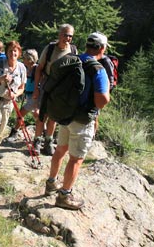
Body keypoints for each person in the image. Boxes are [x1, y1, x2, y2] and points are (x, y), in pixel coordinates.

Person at [44, 32, 110, 210]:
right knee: (76, 159)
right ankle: (65, 195)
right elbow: (102, 100)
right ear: (102, 48)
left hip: (65, 115)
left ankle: (51, 182)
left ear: (87, 45)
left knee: (60, 150)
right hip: (82, 120)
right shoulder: (98, 69)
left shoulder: (74, 60)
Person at [32, 24, 76, 156]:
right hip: (47, 85)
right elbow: (39, 68)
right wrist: (36, 89)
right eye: (65, 35)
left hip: (62, 89)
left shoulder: (73, 50)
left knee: (54, 117)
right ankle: (37, 141)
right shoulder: (50, 48)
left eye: (70, 36)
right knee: (42, 115)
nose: (67, 38)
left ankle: (48, 142)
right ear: (59, 35)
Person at [0, 41, 26, 170]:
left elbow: (21, 88)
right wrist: (1, 79)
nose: (13, 53)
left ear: (19, 53)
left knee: (2, 129)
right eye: (10, 51)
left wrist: (15, 94)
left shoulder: (21, 68)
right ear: (6, 53)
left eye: (15, 51)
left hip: (8, 103)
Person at [8, 49, 39, 141]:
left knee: (21, 113)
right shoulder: (25, 68)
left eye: (24, 58)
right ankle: (43, 134)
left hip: (34, 96)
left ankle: (15, 132)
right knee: (37, 115)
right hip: (29, 95)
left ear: (30, 59)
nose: (23, 59)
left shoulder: (36, 69)